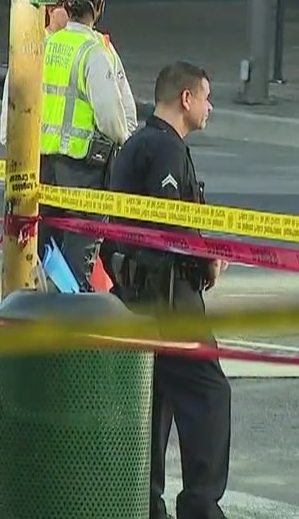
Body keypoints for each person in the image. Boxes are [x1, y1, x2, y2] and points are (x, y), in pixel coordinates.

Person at [102, 60, 231, 519]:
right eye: (207, 97)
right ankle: (200, 506)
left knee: (153, 402)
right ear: (185, 98)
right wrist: (208, 260)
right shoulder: (166, 149)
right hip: (169, 299)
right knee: (209, 394)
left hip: (133, 296)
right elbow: (170, 225)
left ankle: (144, 504)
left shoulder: (137, 144)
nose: (210, 106)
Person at [3, 0, 134, 288]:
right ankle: (68, 330)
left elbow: (11, 106)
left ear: (63, 3)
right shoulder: (94, 53)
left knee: (46, 253)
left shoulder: (40, 46)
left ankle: (41, 321)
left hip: (43, 169)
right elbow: (113, 122)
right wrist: (127, 144)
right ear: (99, 6)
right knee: (76, 265)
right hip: (84, 176)